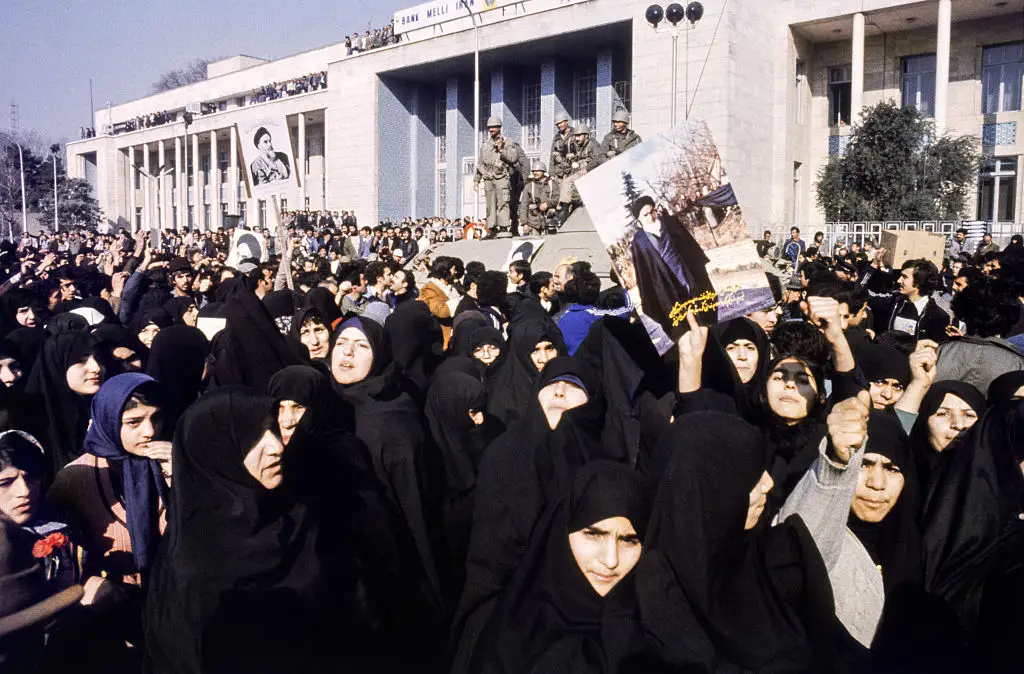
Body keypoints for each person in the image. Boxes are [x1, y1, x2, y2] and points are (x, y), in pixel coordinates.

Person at [143, 390, 344, 673]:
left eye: (273, 430)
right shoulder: (190, 570)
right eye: (254, 437)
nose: (276, 446)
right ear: (216, 452)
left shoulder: (299, 521)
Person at [466, 461, 649, 672]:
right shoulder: (512, 640)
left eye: (629, 540)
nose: (611, 560)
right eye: (594, 535)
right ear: (560, 535)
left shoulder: (660, 634)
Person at [627, 195, 716, 333]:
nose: (651, 217)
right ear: (639, 220)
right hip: (665, 282)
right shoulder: (639, 241)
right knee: (681, 318)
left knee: (702, 304)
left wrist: (698, 267)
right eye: (645, 215)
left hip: (685, 272)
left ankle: (710, 328)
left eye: (652, 212)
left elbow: (689, 244)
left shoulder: (671, 222)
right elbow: (643, 272)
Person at [473, 117, 525, 236]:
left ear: (499, 128)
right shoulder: (485, 144)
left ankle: (503, 227)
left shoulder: (507, 142)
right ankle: (491, 228)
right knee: (490, 205)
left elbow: (513, 158)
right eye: (490, 127)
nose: (491, 129)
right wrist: (476, 180)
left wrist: (501, 150)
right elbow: (480, 162)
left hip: (501, 176)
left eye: (494, 127)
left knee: (503, 203)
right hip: (488, 178)